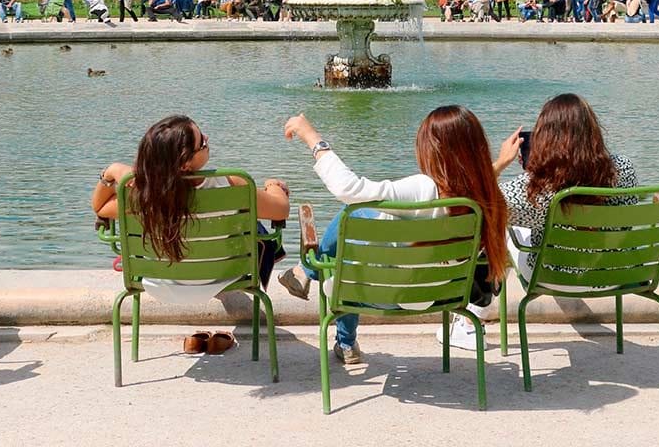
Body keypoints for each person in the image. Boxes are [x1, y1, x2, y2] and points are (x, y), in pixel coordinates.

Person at [278, 107, 509, 361]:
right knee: (360, 223)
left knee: (354, 215)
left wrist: (312, 137)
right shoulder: (490, 201)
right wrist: (497, 166)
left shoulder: (425, 189)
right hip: (441, 296)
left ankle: (312, 283)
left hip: (379, 295)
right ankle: (313, 289)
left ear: (433, 148)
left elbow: (349, 188)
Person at [91, 116, 290, 311]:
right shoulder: (232, 184)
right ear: (186, 163)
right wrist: (273, 185)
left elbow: (99, 207)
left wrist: (112, 171)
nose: (208, 139)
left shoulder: (141, 197)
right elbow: (281, 208)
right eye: (202, 141)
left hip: (159, 284)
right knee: (250, 222)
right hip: (222, 278)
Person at [495, 93, 638, 283]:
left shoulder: (535, 188)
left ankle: (476, 307)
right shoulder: (623, 169)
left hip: (555, 278)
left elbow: (477, 200)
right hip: (615, 275)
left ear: (544, 138)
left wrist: (500, 163)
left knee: (503, 227)